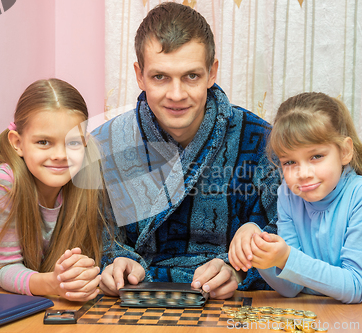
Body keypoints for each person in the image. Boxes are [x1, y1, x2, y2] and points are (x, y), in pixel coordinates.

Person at [93, 2, 280, 300]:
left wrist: (240, 269)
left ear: (211, 72)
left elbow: (294, 231)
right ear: (139, 75)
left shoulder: (262, 140)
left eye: (191, 76)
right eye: (160, 77)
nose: (176, 94)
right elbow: (89, 229)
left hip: (231, 303)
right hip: (131, 300)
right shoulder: (106, 144)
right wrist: (114, 261)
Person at [228, 92, 362, 332]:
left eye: (316, 156)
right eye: (289, 162)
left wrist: (286, 258)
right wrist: (257, 246)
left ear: (345, 151)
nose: (303, 173)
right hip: (317, 320)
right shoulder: (288, 194)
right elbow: (290, 288)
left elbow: (355, 288)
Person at [0, 78, 111, 302]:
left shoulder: (86, 179)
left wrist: (83, 275)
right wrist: (55, 283)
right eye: (44, 142)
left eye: (73, 142)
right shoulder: (5, 182)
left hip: (49, 304)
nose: (60, 155)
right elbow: (5, 269)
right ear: (17, 143)